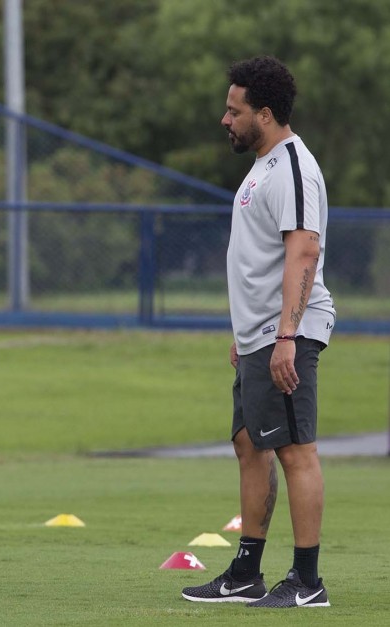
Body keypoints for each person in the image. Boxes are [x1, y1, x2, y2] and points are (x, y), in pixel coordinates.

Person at [181, 56, 335, 608]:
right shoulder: (264, 166)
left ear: (264, 114)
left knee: (295, 450)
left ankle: (307, 581)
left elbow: (304, 251)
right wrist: (246, 335)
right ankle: (246, 572)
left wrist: (286, 336)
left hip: (285, 332)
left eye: (234, 110)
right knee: (250, 445)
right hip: (259, 334)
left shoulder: (293, 166)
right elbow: (261, 259)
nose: (226, 119)